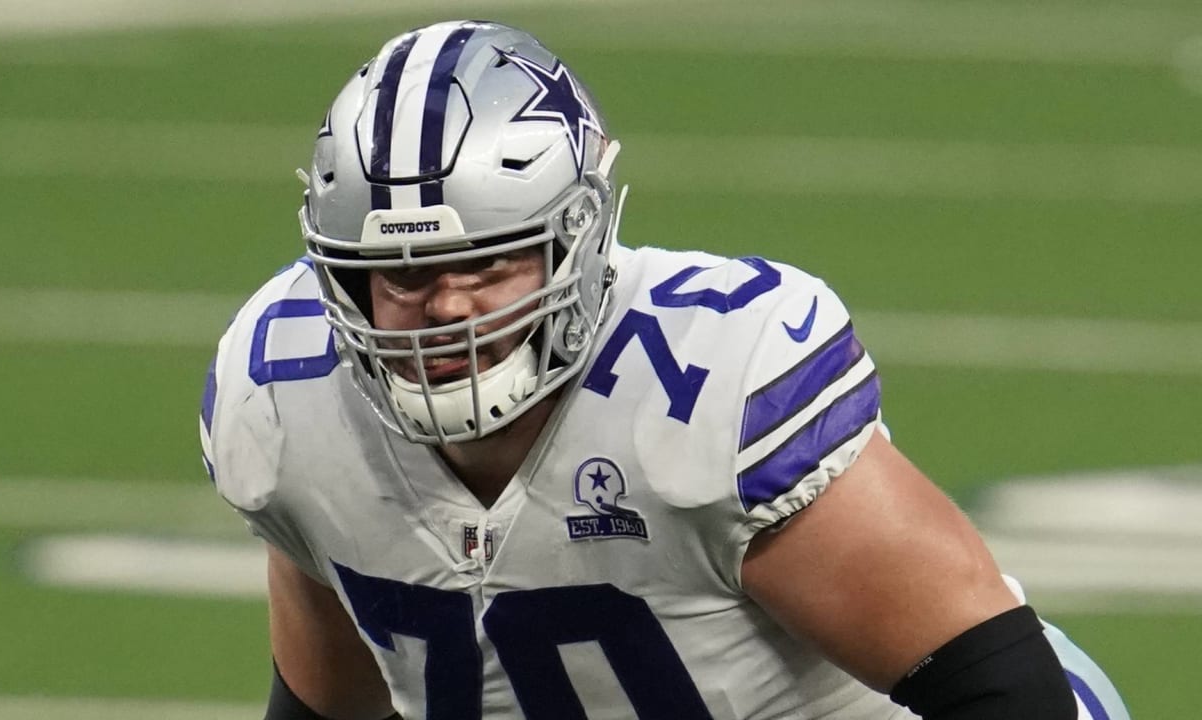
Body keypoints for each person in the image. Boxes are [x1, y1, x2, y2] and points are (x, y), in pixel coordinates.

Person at [199, 20, 1132, 720]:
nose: (446, 308)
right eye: (403, 274)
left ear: (575, 239)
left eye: (487, 263)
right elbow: (329, 704)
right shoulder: (289, 398)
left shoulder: (708, 382)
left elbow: (999, 684)